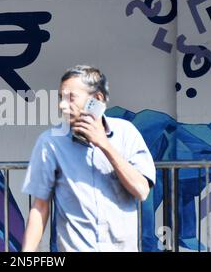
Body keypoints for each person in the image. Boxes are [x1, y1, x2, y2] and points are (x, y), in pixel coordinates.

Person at [21, 65, 156, 252]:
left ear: (97, 99)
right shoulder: (50, 142)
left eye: (71, 98)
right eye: (61, 98)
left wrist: (104, 145)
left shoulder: (127, 133)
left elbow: (141, 191)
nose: (62, 105)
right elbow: (39, 207)